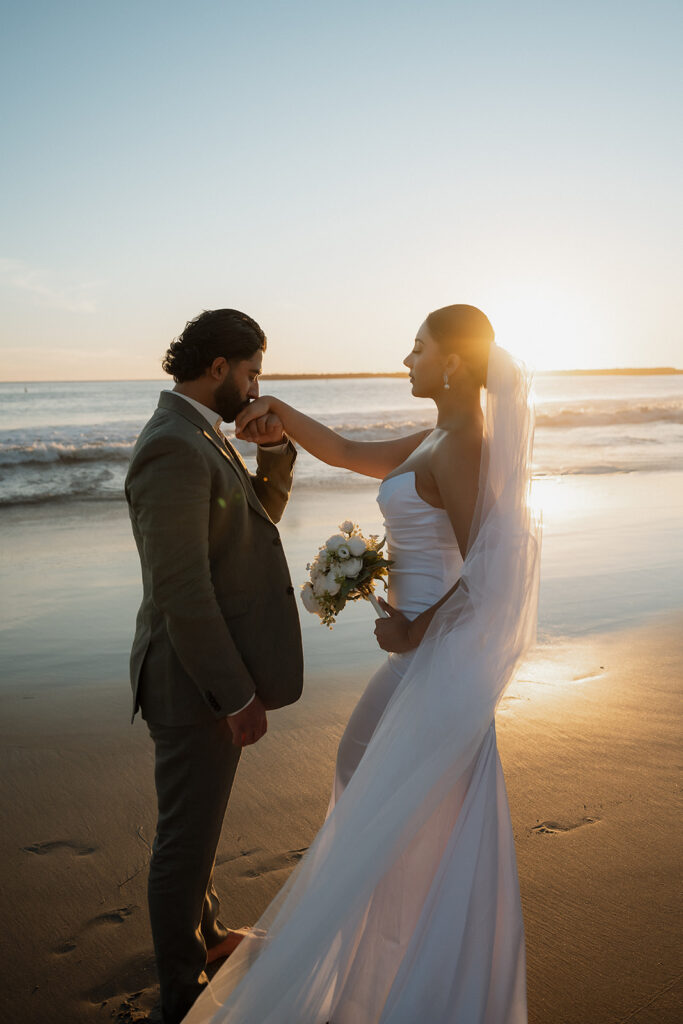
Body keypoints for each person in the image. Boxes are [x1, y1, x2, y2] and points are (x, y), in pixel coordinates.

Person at [184, 304, 541, 1024]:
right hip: (419, 657)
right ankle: (390, 939)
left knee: (393, 794)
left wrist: (417, 629)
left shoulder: (465, 441)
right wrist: (280, 413)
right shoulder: (437, 434)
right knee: (368, 780)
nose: (405, 361)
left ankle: (412, 957)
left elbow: (490, 568)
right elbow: (348, 451)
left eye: (416, 350)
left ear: (450, 364)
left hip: (437, 663)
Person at [124, 308, 304, 1024]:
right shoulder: (171, 444)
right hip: (190, 678)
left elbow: (257, 518)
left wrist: (276, 449)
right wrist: (233, 695)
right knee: (183, 840)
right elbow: (181, 589)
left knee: (197, 825)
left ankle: (207, 936)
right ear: (219, 366)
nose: (258, 385)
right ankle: (179, 990)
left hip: (205, 672)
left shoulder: (200, 433)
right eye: (253, 370)